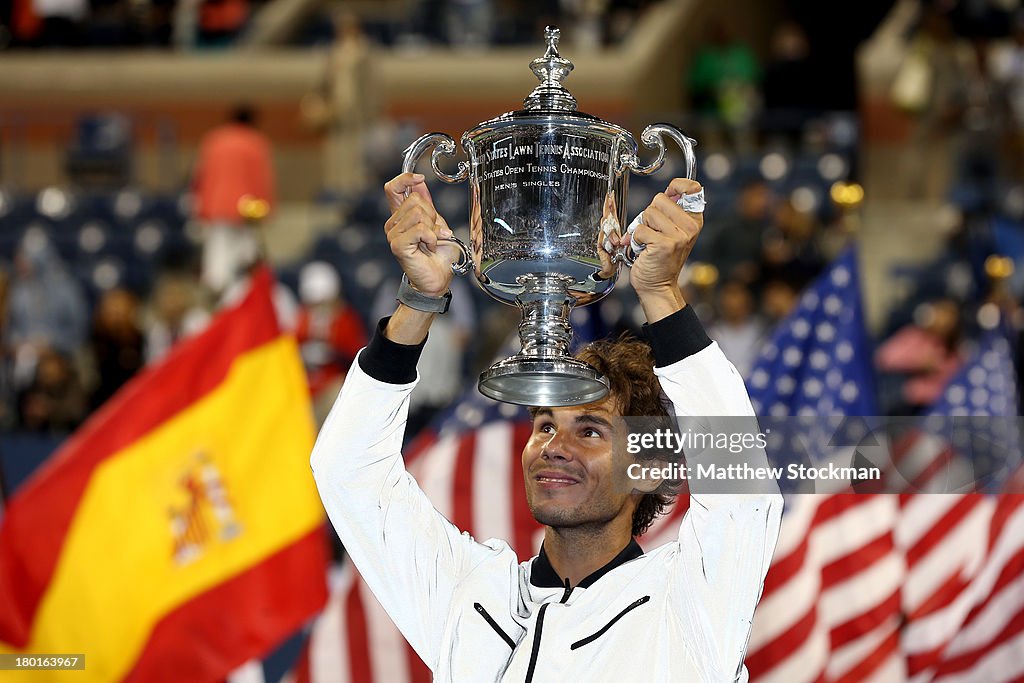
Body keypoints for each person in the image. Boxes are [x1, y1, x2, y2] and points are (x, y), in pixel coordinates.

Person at [310, 173, 783, 681]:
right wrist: (420, 302)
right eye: (544, 426)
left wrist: (661, 293)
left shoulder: (688, 602)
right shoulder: (466, 593)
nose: (555, 447)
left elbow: (742, 488)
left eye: (591, 430)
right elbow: (347, 470)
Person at [191, 105, 275, 295]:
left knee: (219, 253)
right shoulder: (256, 142)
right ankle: (239, 293)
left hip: (217, 206)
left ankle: (219, 291)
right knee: (245, 254)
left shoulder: (214, 140)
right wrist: (265, 209)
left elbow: (201, 176)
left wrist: (201, 208)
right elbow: (262, 179)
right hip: (247, 209)